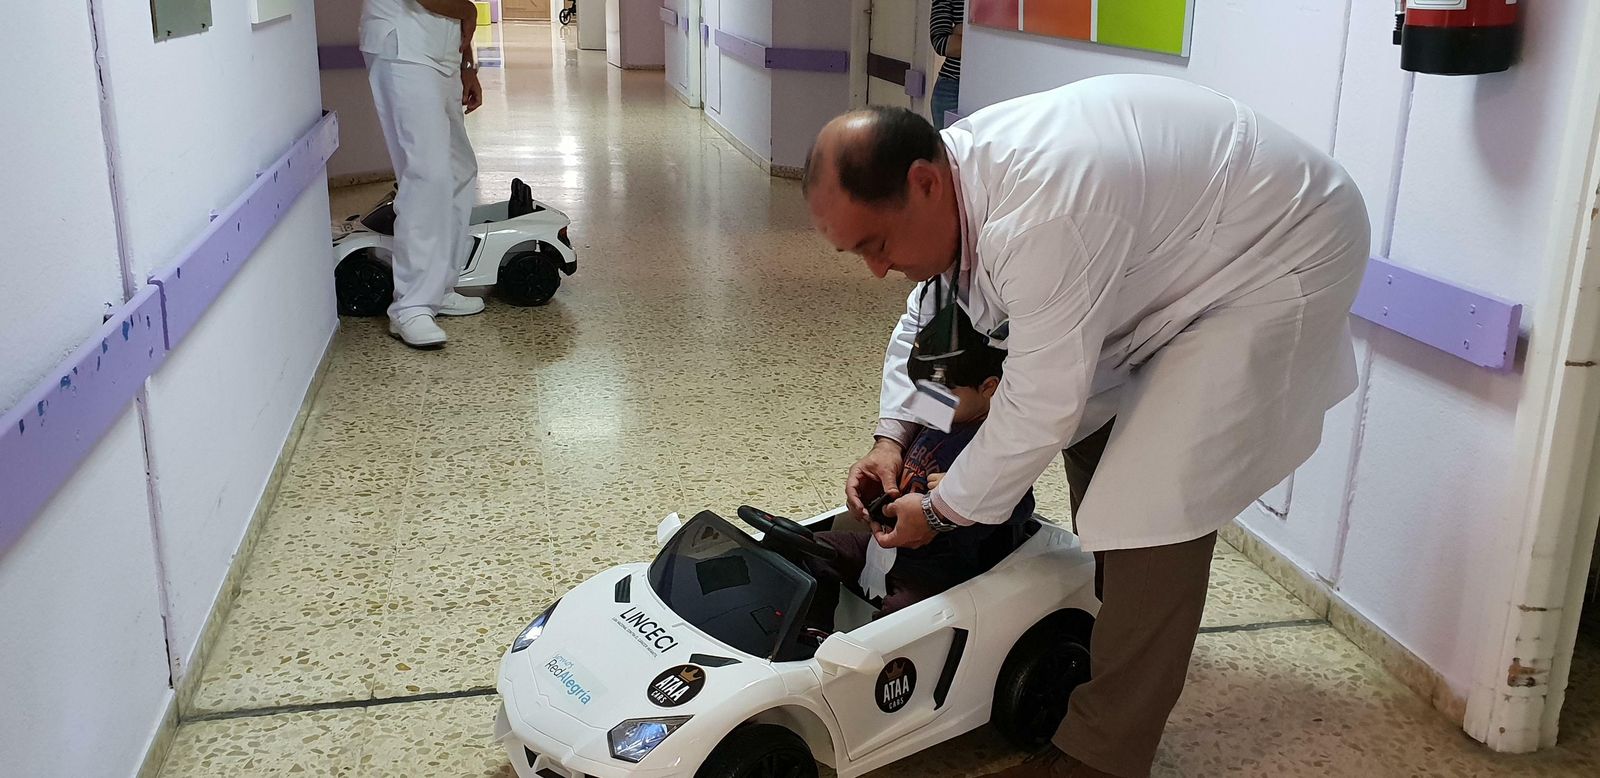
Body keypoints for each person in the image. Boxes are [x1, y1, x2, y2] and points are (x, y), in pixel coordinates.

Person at [803, 74, 1370, 777]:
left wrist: (943, 512)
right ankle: (1123, 626)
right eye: (858, 252)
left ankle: (1103, 752)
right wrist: (892, 438)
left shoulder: (1040, 215)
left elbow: (1037, 405)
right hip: (1180, 253)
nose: (876, 270)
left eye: (878, 244)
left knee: (1151, 506)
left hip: (1277, 252)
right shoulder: (956, 186)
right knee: (1094, 433)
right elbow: (933, 327)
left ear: (922, 182)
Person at [804, 338, 1032, 629]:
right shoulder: (940, 412)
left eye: (943, 391)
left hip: (939, 566)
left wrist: (967, 487)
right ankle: (812, 635)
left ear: (989, 387)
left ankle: (862, 652)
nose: (930, 400)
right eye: (924, 389)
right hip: (887, 546)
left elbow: (1021, 504)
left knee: (899, 618)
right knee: (810, 548)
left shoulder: (995, 442)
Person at [361, 0, 488, 349]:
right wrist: (470, 11)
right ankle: (411, 306)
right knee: (427, 175)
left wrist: (467, 64)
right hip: (404, 47)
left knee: (460, 169)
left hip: (441, 52)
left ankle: (438, 287)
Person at [929, 0, 964, 129]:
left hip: (998, 81)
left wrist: (960, 29)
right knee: (946, 142)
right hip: (952, 87)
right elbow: (941, 44)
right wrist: (975, 31)